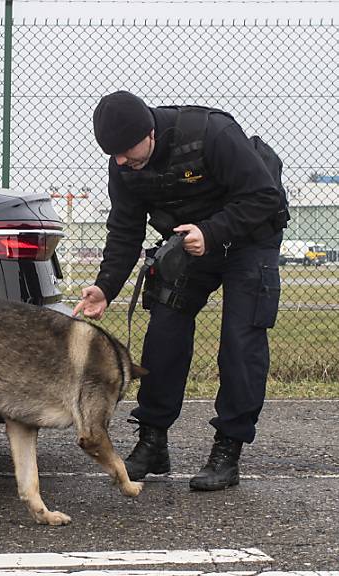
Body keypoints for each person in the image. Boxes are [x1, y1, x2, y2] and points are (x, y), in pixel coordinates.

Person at [72, 91, 288, 491]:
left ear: (150, 132)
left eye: (126, 151)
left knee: (240, 340)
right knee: (165, 330)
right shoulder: (124, 166)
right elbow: (124, 230)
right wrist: (105, 287)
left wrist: (213, 231)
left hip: (249, 238)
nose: (121, 161)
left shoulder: (211, 134)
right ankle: (153, 441)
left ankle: (228, 449)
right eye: (114, 155)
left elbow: (264, 197)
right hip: (189, 244)